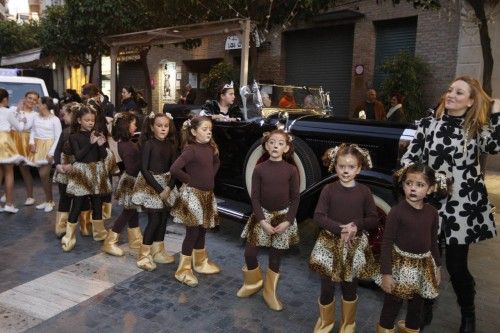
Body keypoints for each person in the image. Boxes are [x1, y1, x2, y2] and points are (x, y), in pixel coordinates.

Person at [401, 76, 500, 333]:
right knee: (427, 259)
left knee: (457, 265)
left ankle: (468, 315)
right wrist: (418, 181)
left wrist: (497, 112)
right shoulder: (427, 124)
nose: (451, 95)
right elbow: (410, 158)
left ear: (470, 102)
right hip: (429, 201)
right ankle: (425, 309)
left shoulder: (475, 128)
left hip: (462, 205)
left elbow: (496, 145)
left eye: (459, 92)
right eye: (450, 90)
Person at [309, 143, 378, 333]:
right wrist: (340, 229)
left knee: (350, 286)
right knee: (327, 287)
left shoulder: (364, 191)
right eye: (341, 166)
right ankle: (326, 321)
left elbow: (373, 218)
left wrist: (356, 225)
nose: (345, 171)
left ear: (359, 168)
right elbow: (319, 216)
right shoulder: (329, 189)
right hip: (329, 243)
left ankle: (348, 324)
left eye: (351, 167)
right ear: (334, 165)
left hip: (353, 246)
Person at [374, 164, 444, 333]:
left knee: (416, 310)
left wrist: (438, 267)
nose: (413, 188)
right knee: (391, 307)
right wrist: (386, 273)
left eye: (420, 185)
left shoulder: (432, 213)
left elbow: (433, 242)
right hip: (399, 267)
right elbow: (387, 243)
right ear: (403, 185)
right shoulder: (396, 213)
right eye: (409, 183)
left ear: (430, 189)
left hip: (422, 269)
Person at [237, 129, 300, 311]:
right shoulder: (259, 169)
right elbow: (254, 197)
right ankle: (253, 282)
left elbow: (295, 198)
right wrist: (262, 221)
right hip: (261, 216)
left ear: (286, 148)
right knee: (249, 253)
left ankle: (269, 292)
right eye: (272, 142)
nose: (275, 146)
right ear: (266, 145)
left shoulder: (291, 170)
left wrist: (288, 221)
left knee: (275, 258)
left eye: (280, 143)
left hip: (282, 218)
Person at [170, 116, 220, 287]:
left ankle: (200, 263)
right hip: (193, 195)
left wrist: (209, 176)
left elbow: (216, 162)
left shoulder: (210, 148)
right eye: (204, 129)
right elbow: (175, 168)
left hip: (207, 195)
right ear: (193, 132)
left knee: (203, 230)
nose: (208, 132)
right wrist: (189, 180)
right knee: (192, 232)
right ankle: (183, 269)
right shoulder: (191, 149)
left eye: (210, 129)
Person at [61, 104, 112, 252]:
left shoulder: (96, 134)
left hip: (96, 171)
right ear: (79, 121)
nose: (90, 122)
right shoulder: (74, 137)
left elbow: (102, 156)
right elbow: (78, 156)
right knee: (77, 204)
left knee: (97, 203)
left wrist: (101, 146)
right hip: (81, 172)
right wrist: (91, 144)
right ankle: (69, 236)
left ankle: (99, 233)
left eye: (92, 120)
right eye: (87, 120)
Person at [131, 112, 178, 270]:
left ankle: (158, 251)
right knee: (155, 220)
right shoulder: (149, 144)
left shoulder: (171, 145)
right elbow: (144, 169)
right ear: (152, 127)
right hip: (150, 185)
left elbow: (175, 169)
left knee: (164, 218)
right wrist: (159, 189)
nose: (163, 129)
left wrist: (170, 187)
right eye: (159, 126)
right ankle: (144, 255)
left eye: (166, 126)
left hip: (166, 185)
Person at [102, 112, 143, 257]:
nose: (136, 126)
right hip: (132, 181)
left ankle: (136, 239)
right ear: (126, 126)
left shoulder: (125, 143)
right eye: (133, 123)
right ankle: (110, 241)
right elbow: (132, 168)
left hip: (130, 180)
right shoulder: (128, 146)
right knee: (128, 212)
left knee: (132, 210)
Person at [26, 97, 62, 212]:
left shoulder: (55, 119)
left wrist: (52, 153)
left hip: (48, 148)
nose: (36, 104)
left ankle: (50, 201)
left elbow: (58, 138)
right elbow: (32, 130)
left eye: (39, 103)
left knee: (44, 175)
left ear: (45, 106)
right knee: (43, 177)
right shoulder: (36, 116)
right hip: (37, 147)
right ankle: (48, 200)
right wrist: (31, 142)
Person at [53, 102, 78, 237]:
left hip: (77, 169)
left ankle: (83, 225)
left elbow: (84, 155)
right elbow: (57, 149)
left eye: (65, 115)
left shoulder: (79, 133)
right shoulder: (65, 131)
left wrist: (73, 164)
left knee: (81, 200)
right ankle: (61, 227)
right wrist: (57, 164)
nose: (63, 118)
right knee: (64, 198)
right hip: (63, 169)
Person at [10, 91, 39, 206]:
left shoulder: (35, 115)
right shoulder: (14, 109)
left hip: (24, 140)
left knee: (24, 169)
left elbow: (34, 131)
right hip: (12, 138)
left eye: (34, 99)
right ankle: (8, 193)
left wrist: (31, 143)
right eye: (29, 98)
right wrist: (18, 109)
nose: (31, 101)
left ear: (37, 102)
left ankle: (30, 196)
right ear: (25, 98)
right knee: (7, 168)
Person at [0, 88, 26, 213]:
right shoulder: (8, 112)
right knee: (9, 172)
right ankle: (9, 204)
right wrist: (20, 115)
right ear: (5, 99)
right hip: (4, 141)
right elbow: (20, 128)